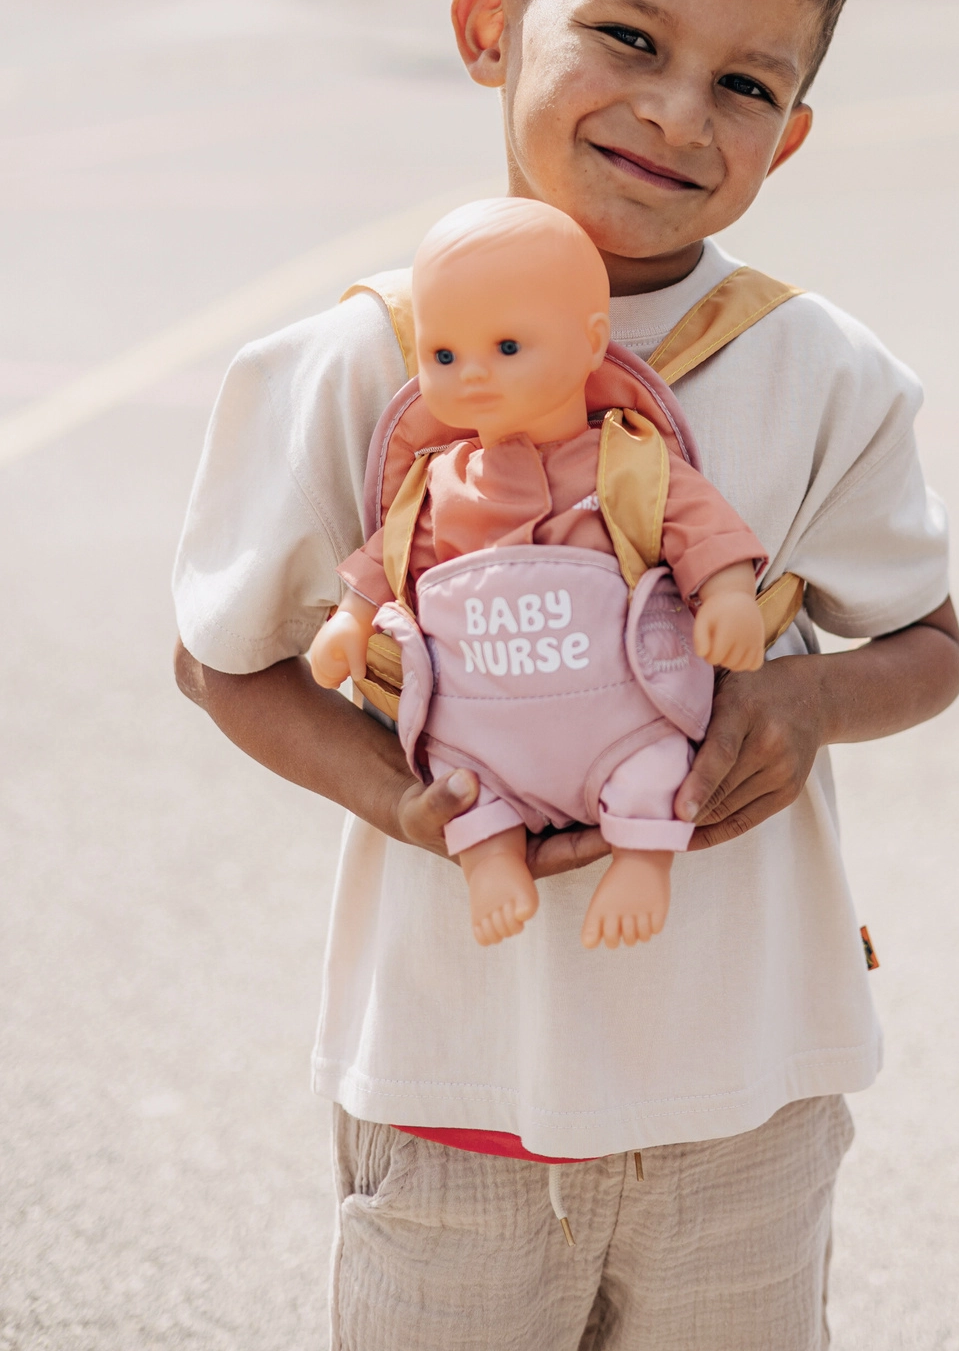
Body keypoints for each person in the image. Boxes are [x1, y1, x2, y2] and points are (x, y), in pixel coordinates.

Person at [173, 0, 959, 1351]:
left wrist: (802, 706)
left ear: (790, 135)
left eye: (744, 84)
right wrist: (413, 804)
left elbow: (928, 646)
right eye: (626, 37)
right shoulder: (363, 359)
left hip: (745, 1081)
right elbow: (223, 659)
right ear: (491, 29)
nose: (675, 112)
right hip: (456, 1071)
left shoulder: (823, 371)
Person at [309, 195, 767, 950]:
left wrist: (726, 593)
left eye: (507, 347)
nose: (473, 375)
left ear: (592, 343)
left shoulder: (625, 460)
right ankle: (490, 859)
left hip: (615, 718)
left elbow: (696, 524)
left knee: (654, 764)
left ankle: (642, 860)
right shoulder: (441, 482)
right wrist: (350, 621)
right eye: (443, 357)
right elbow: (392, 557)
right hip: (483, 727)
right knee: (461, 786)